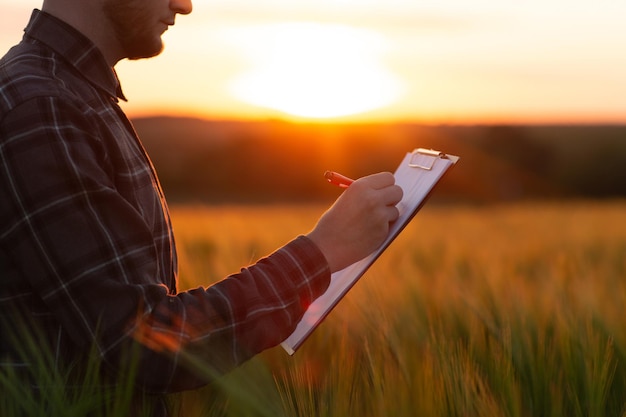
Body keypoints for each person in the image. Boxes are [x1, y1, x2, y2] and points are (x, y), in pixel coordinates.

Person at [0, 0, 403, 415]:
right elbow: (144, 344)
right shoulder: (43, 107)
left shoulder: (69, 96)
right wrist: (321, 250)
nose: (184, 5)